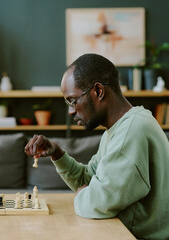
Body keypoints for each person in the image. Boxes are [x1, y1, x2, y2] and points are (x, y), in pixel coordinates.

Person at [25, 53, 169, 239]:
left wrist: (84, 195)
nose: (70, 111)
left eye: (72, 100)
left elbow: (97, 202)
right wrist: (57, 153)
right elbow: (89, 179)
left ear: (98, 91)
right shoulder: (116, 130)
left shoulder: (132, 131)